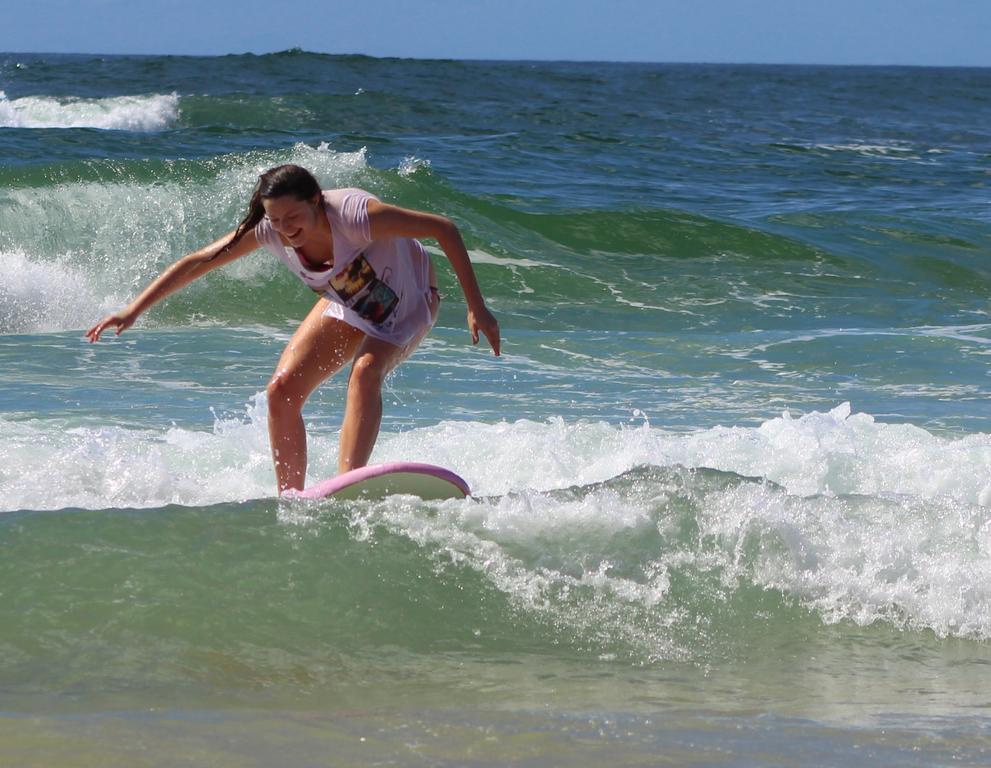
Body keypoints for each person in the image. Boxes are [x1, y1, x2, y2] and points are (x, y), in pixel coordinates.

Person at [87, 164, 500, 493]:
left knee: (364, 372)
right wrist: (134, 309)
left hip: (410, 304)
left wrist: (476, 308)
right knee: (281, 392)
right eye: (275, 219)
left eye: (293, 217)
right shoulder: (272, 231)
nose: (285, 229)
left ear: (317, 201)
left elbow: (442, 227)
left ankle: (346, 486)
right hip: (350, 303)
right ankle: (292, 500)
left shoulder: (356, 216)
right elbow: (201, 261)